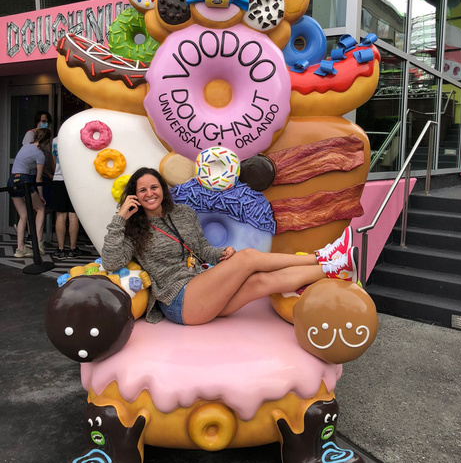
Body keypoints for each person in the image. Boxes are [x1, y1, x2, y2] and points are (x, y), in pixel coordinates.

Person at [101, 167, 358, 326]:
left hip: (204, 289)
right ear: (134, 196)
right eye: (142, 190)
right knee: (248, 259)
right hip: (179, 301)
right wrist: (120, 218)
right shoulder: (132, 230)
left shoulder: (183, 214)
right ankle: (321, 255)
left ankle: (335, 268)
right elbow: (112, 262)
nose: (149, 193)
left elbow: (202, 249)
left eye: (153, 187)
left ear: (162, 189)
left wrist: (221, 254)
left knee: (261, 281)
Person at [7, 128, 51, 257]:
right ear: (47, 141)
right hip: (24, 180)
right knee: (41, 209)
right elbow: (38, 178)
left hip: (12, 180)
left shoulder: (25, 146)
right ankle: (38, 243)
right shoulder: (40, 154)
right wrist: (41, 195)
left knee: (23, 215)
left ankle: (20, 249)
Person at [50, 134, 80, 260]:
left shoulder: (55, 140)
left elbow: (53, 161)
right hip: (74, 179)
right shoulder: (78, 139)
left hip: (58, 179)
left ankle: (60, 249)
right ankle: (73, 249)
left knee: (60, 215)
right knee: (73, 215)